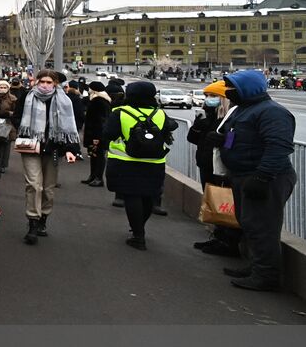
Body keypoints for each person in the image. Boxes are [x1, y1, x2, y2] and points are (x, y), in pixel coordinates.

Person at [213, 69, 297, 291]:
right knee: (249, 223)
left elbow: (278, 147)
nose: (229, 91)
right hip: (244, 175)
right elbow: (238, 139)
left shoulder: (271, 112)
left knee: (263, 227)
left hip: (265, 177)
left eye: (233, 87)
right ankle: (257, 267)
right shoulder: (244, 110)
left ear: (247, 89)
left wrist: (262, 177)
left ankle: (267, 275)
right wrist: (223, 141)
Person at [102, 80, 177, 250]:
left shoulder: (120, 112)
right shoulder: (160, 114)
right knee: (149, 195)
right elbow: (170, 130)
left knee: (132, 196)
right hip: (155, 162)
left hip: (126, 161)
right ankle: (139, 227)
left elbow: (108, 133)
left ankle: (138, 235)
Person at [10, 69, 81, 245]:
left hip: (54, 150)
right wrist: (28, 131)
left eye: (49, 82)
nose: (45, 85)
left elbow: (71, 125)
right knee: (34, 184)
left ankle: (43, 219)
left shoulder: (65, 100)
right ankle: (33, 222)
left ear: (55, 83)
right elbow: (17, 117)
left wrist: (71, 149)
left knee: (48, 189)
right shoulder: (28, 96)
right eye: (42, 82)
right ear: (37, 82)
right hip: (31, 147)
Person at [189, 80, 242, 257]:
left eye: (212, 96)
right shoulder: (207, 115)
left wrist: (223, 141)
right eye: (206, 96)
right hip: (206, 164)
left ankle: (227, 241)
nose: (208, 99)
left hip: (221, 167)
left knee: (225, 204)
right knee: (213, 201)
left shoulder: (231, 116)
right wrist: (198, 125)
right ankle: (218, 236)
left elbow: (232, 140)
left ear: (223, 98)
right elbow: (193, 139)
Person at [80, 81, 112, 187]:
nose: (88, 90)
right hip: (95, 133)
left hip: (97, 134)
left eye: (90, 88)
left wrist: (97, 136)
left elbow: (100, 121)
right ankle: (93, 176)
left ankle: (98, 178)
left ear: (94, 89)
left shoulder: (98, 101)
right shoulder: (101, 100)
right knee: (94, 155)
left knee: (98, 156)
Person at [0, 79, 17, 174]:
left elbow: (15, 112)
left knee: (6, 145)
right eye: (1, 87)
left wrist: (8, 114)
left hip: (7, 123)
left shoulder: (12, 98)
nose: (3, 89)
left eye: (5, 87)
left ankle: (3, 165)